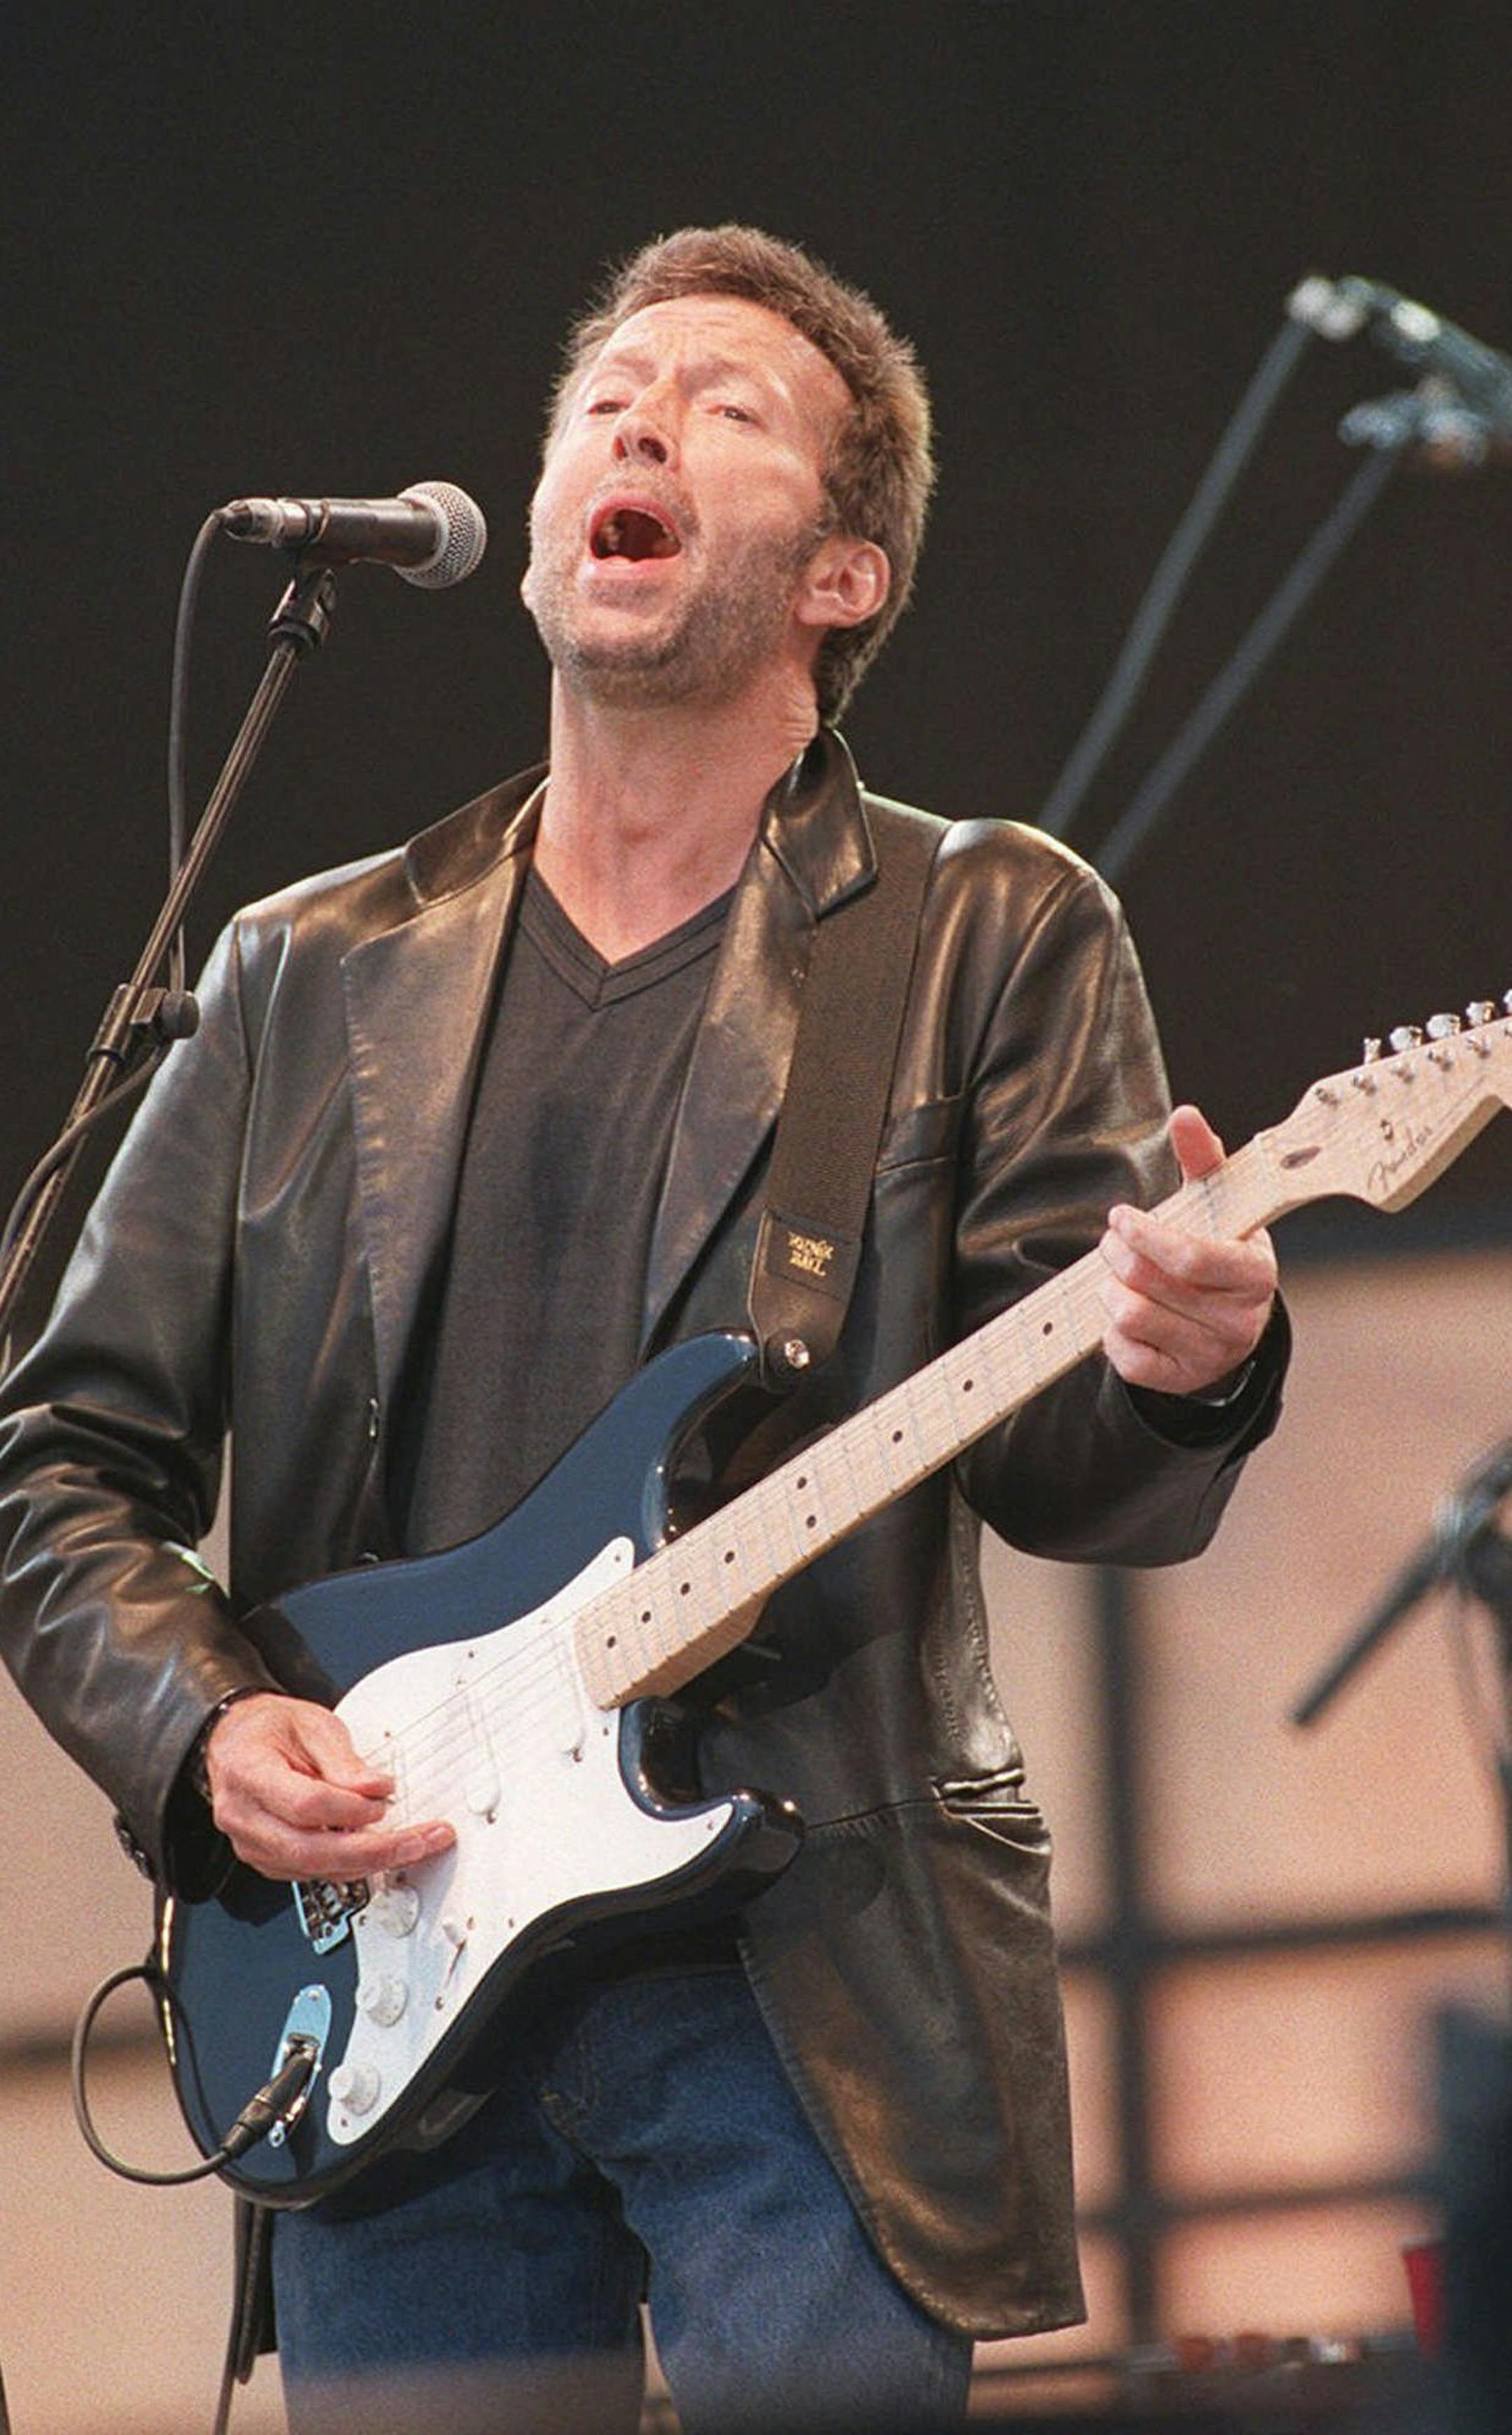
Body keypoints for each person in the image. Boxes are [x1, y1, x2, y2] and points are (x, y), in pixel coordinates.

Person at [0, 226, 1284, 2434]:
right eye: (608, 387)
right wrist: (205, 1730)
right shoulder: (311, 971)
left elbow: (1075, 1469)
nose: (638, 415)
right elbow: (61, 1458)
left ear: (842, 578)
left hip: (810, 1987)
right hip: (393, 1987)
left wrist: (1190, 1357)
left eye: (726, 404)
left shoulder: (986, 925)